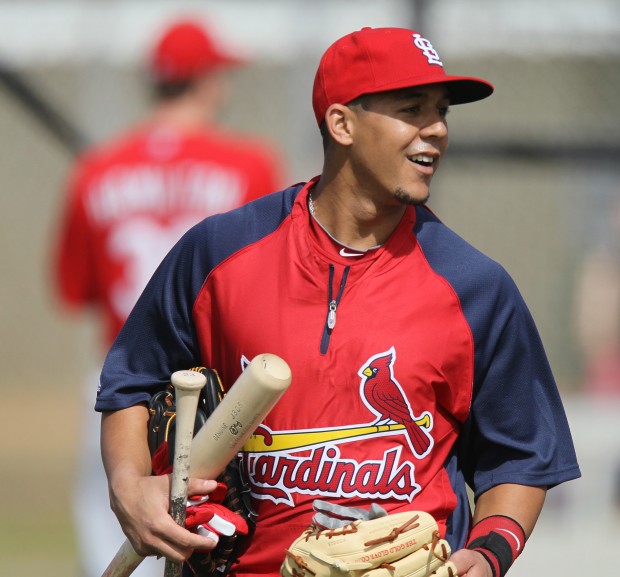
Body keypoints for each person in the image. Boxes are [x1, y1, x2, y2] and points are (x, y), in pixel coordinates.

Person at [95, 27, 580, 577]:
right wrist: (129, 487)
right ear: (342, 123)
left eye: (442, 112)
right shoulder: (220, 253)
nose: (437, 130)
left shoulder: (475, 287)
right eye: (411, 108)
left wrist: (490, 554)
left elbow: (520, 458)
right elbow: (130, 385)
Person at [52, 17, 282, 577]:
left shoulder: (98, 169)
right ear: (207, 81)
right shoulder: (248, 165)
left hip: (118, 388)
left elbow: (72, 290)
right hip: (218, 391)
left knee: (111, 541)